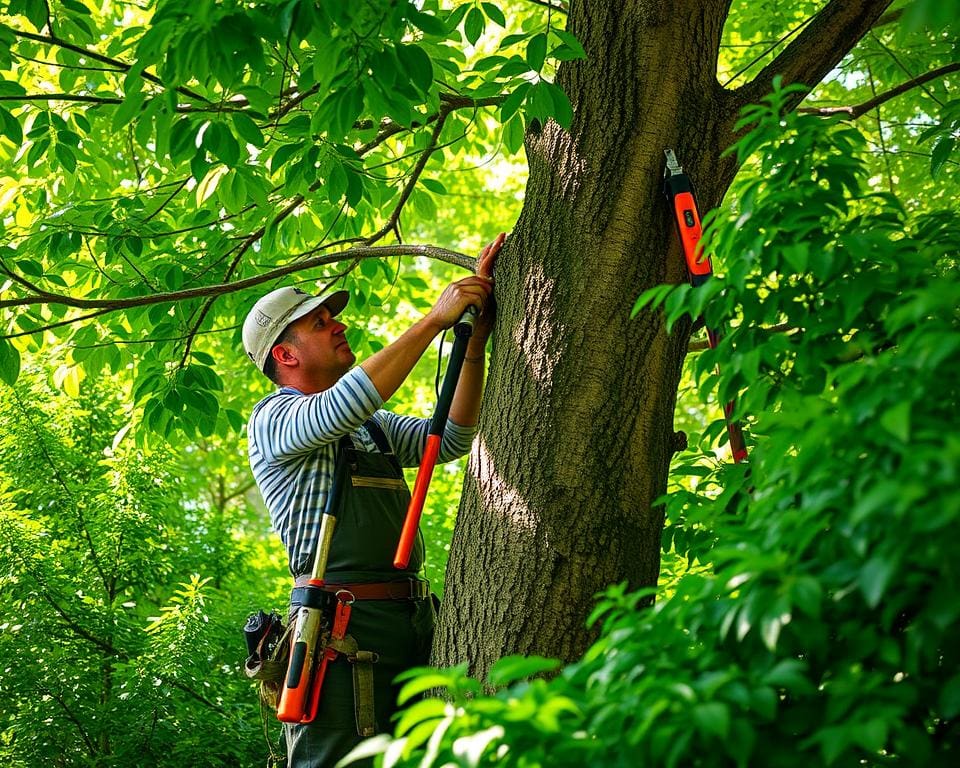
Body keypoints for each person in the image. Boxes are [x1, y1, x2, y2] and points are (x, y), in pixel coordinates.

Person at [243, 234, 504, 768]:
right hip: (338, 632)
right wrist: (433, 320)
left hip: (412, 623)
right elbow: (343, 404)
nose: (339, 324)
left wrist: (472, 346)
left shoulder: (371, 428)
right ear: (285, 355)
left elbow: (451, 437)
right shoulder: (273, 419)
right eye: (319, 323)